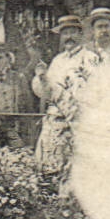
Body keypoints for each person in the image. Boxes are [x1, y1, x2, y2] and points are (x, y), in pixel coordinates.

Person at [32, 14, 105, 180]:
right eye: (65, 33)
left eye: (73, 32)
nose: (69, 37)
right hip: (54, 122)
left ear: (80, 34)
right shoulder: (57, 61)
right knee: (49, 170)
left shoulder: (90, 59)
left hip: (77, 122)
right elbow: (45, 92)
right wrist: (41, 78)